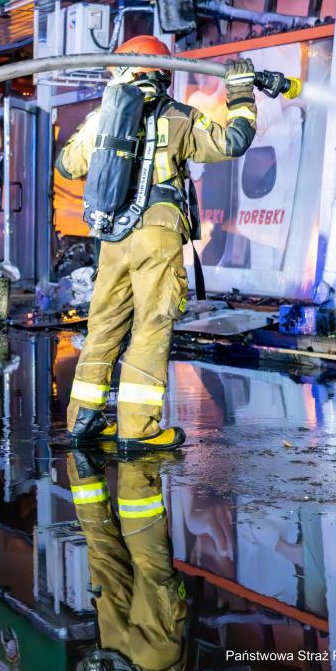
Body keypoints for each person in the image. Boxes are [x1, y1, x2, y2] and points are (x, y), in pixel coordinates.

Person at [55, 35, 259, 453]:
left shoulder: (102, 119)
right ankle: (139, 428)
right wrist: (241, 95)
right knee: (151, 327)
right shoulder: (178, 116)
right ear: (164, 74)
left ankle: (83, 419)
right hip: (157, 234)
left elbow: (66, 164)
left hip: (112, 238)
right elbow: (231, 142)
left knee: (105, 326)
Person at [64, 450, 187, 671]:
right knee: (102, 548)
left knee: (147, 559)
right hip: (112, 658)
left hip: (152, 665)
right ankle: (82, 453)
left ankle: (136, 453)